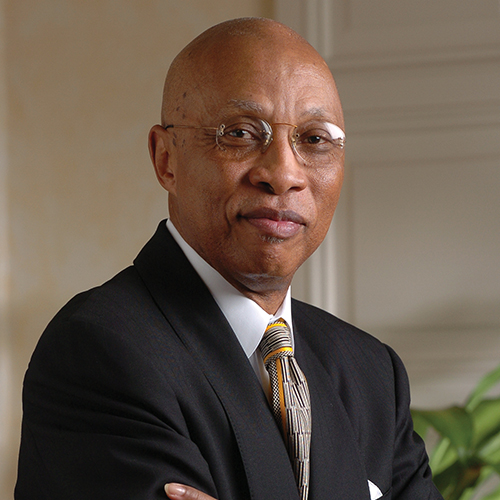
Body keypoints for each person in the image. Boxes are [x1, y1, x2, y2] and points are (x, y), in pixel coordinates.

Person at [15, 17, 442, 500]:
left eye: (314, 139)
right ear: (166, 159)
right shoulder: (99, 351)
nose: (283, 174)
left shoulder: (372, 373)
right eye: (239, 133)